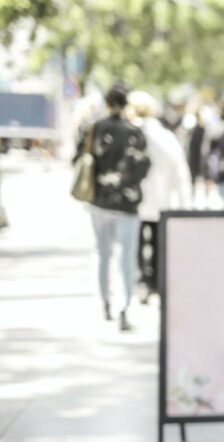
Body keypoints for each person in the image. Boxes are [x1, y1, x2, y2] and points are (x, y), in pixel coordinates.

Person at [74, 84, 151, 331]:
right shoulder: (135, 132)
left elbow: (79, 159)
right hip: (127, 203)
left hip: (99, 200)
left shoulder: (94, 128)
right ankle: (124, 306)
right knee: (126, 256)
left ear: (106, 103)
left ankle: (105, 301)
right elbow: (143, 167)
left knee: (102, 253)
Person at [127, 91, 193, 303]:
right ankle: (154, 280)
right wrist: (185, 203)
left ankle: (141, 281)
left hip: (135, 199)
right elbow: (180, 170)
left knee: (135, 242)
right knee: (157, 241)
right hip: (161, 198)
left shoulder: (130, 133)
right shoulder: (164, 135)